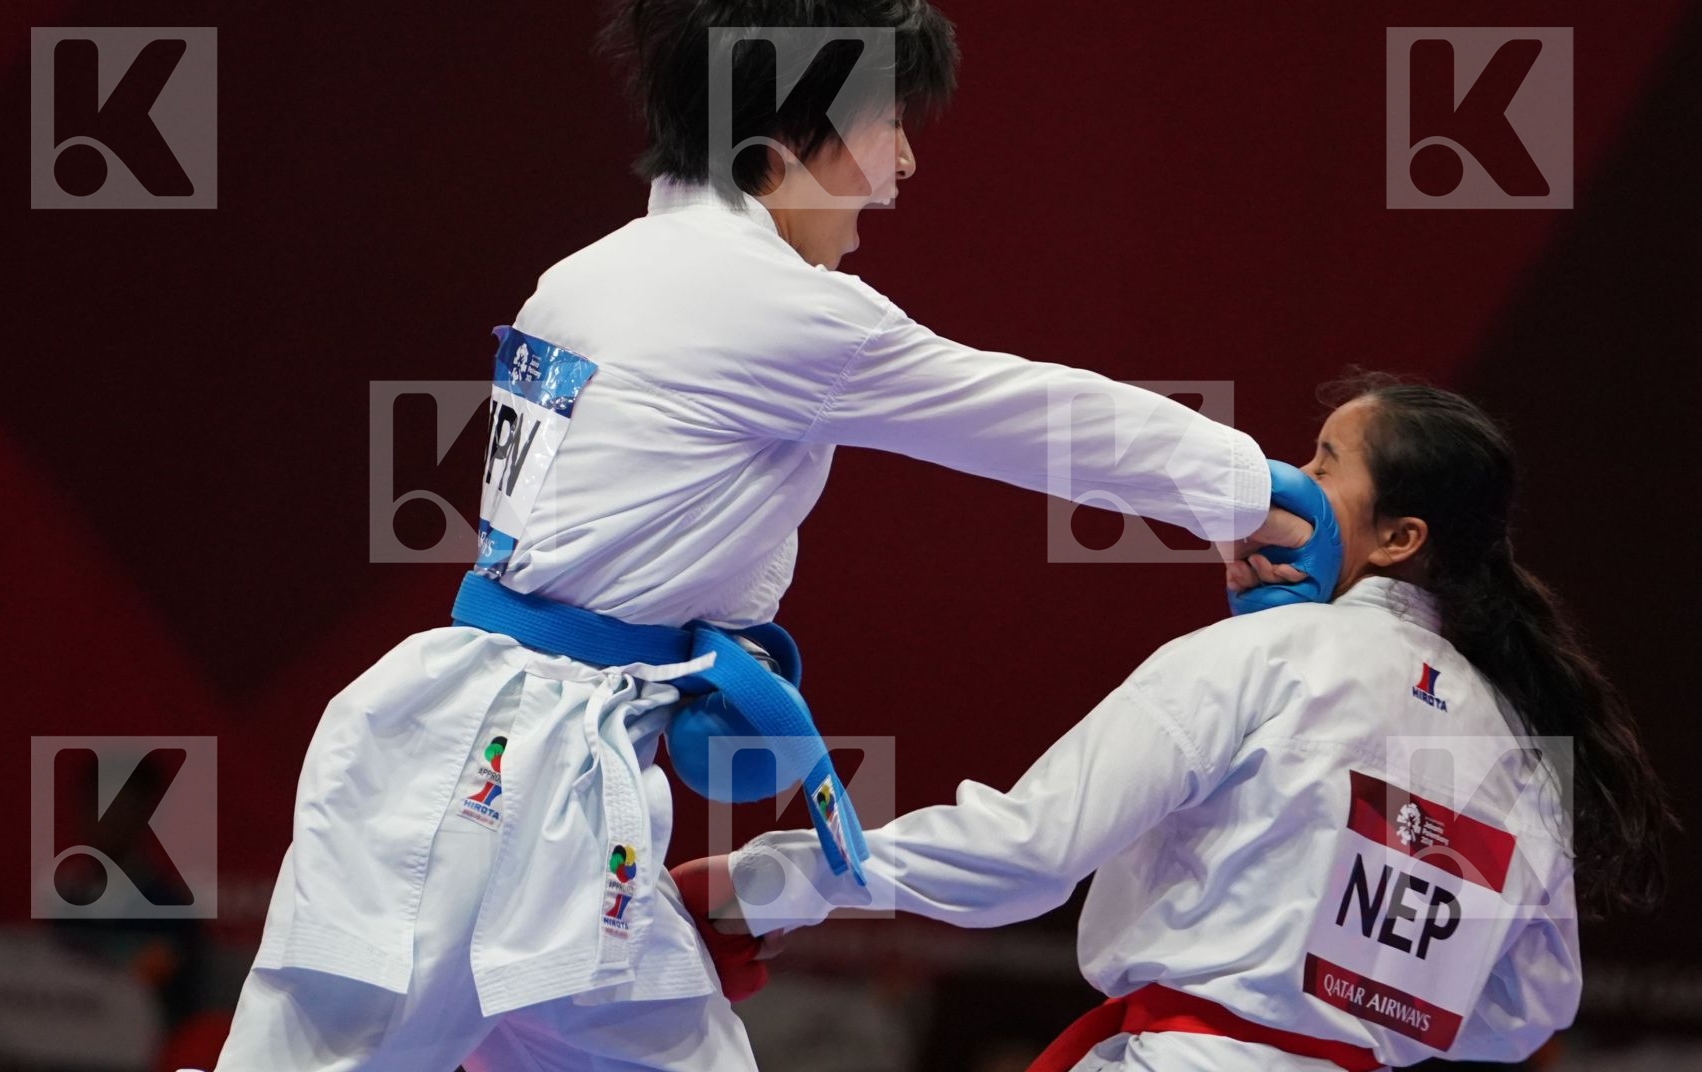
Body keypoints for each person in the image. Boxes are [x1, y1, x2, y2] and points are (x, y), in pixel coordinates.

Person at [207, 0, 1309, 1072]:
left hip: (553, 779)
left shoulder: (595, 273)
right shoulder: (777, 307)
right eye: (888, 123)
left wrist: (715, 642)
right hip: (485, 786)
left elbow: (616, 539)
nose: (905, 163)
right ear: (788, 136)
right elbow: (1040, 420)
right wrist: (1261, 491)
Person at [694, 374, 1675, 1070]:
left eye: (1324, 461)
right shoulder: (1516, 744)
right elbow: (1524, 1015)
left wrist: (767, 882)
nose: (1289, 482)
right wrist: (1351, 1011)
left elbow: (1029, 853)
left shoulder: (1269, 657)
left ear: (1399, 538)